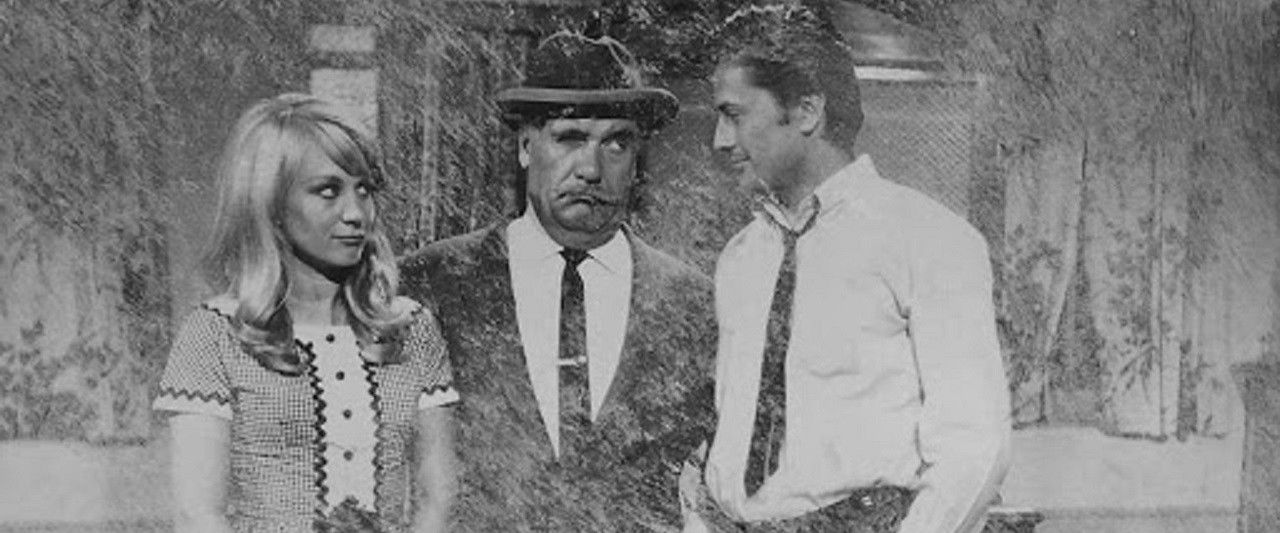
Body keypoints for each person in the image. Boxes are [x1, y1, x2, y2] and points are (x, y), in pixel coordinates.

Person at [686, 4, 1012, 532]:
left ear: (807, 111)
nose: (720, 141)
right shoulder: (740, 258)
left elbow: (974, 448)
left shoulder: (930, 240)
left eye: (734, 115)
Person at [399, 30, 717, 532]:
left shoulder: (692, 302)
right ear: (526, 146)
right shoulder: (431, 282)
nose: (591, 168)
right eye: (569, 138)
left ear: (638, 160)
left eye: (617, 142)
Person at [153, 93, 457, 533]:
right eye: (328, 191)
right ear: (271, 203)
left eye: (364, 189)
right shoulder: (217, 334)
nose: (356, 213)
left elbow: (438, 500)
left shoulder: (411, 328)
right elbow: (198, 514)